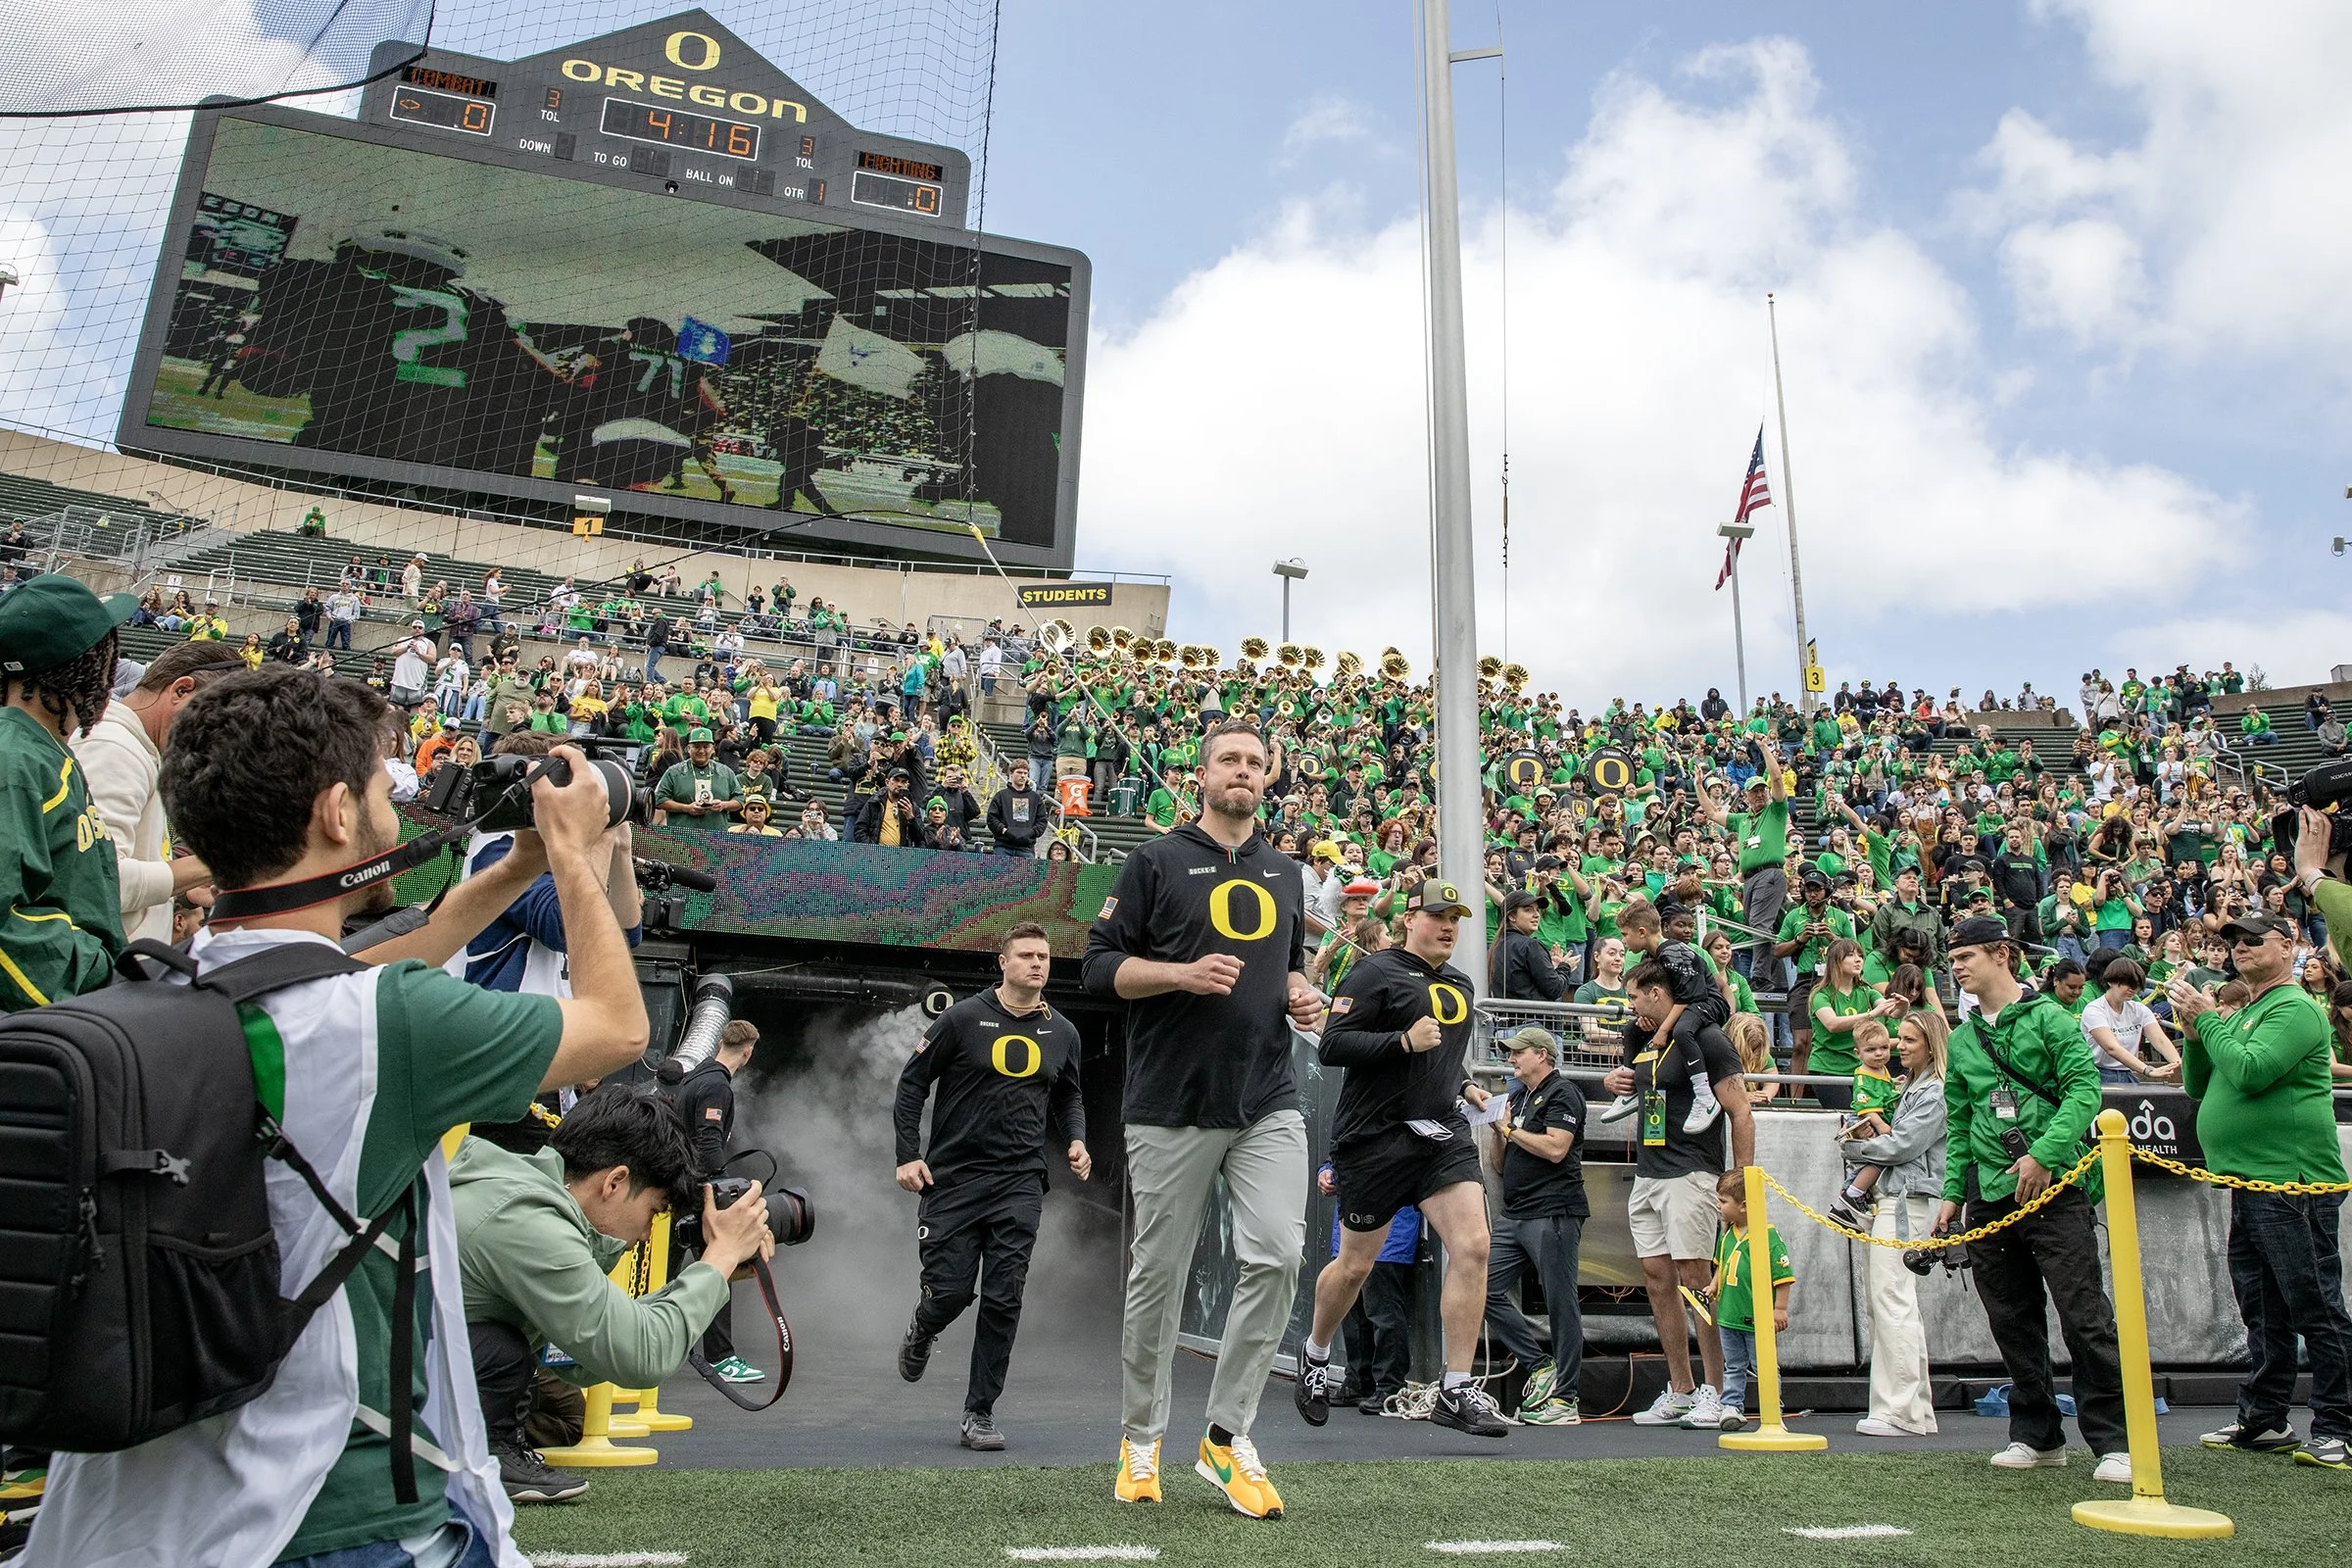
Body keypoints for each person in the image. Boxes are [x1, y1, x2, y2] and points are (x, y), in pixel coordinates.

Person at [27, 668, 649, 1567]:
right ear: (335, 815)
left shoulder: (171, 978)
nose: (392, 794)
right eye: (377, 781)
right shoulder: (390, 1027)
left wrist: (511, 868)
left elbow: (360, 969)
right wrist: (571, 854)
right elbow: (619, 1028)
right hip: (319, 1512)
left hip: (126, 1516)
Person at [1082, 719, 1318, 1517]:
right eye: (1229, 760)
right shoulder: (1155, 860)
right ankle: (1140, 1439)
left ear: (1267, 778)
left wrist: (1299, 992)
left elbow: (1286, 970)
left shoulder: (1286, 872)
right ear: (1203, 774)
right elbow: (1099, 967)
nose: (1243, 772)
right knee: (1160, 1275)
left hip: (1266, 1100)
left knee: (1280, 1257)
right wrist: (1180, 974)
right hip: (1170, 1103)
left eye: (1255, 762)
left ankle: (1226, 1438)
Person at [453, 1085, 772, 1504]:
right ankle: (478, 1458)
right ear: (616, 1182)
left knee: (520, 1367)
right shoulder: (526, 1222)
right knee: (501, 1352)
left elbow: (583, 1356)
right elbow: (642, 1355)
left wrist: (714, 1270)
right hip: (367, 1385)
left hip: (379, 1362)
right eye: (654, 1213)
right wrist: (721, 1258)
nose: (645, 1235)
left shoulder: (517, 1191)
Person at [1297, 877, 1507, 1439]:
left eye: (1455, 919)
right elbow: (1334, 1044)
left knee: (1474, 1244)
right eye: (1437, 916)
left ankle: (1456, 1388)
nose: (1447, 927)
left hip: (1438, 1134)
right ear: (1408, 919)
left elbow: (1442, 1059)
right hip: (1374, 1138)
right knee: (1356, 1266)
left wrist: (1464, 1088)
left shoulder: (1460, 983)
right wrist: (1402, 1043)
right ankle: (1316, 1355)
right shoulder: (1375, 971)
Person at [1936, 914, 2131, 1483]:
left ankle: (2116, 1440)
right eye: (1952, 960)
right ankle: (2036, 1434)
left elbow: (2084, 1090)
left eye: (1965, 956)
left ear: (2002, 953)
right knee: (2012, 1320)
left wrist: (2044, 1154)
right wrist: (1953, 1193)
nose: (1957, 967)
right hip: (1990, 1196)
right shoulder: (1965, 1036)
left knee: (2084, 1315)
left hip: (2059, 1189)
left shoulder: (2051, 1019)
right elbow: (1961, 1119)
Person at [893, 923, 1091, 1450]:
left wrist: (1077, 1140)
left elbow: (1070, 1095)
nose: (1037, 964)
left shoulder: (1064, 1032)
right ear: (1001, 962)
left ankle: (978, 1412)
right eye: (1025, 955)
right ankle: (924, 1324)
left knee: (1004, 1299)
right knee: (953, 1291)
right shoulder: (960, 1018)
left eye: (1044, 956)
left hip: (1020, 1183)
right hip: (953, 1180)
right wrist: (907, 1155)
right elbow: (912, 1083)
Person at [2169, 905, 2351, 1471]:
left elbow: (2251, 1073)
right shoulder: (2252, 1010)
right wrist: (2197, 1034)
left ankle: (2339, 1425)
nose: (2240, 948)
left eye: (2253, 939)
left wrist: (2212, 1021)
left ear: (2289, 944)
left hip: (2292, 1182)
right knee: (2264, 1308)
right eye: (2234, 942)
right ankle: (2266, 1417)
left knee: (2314, 1304)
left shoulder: (2295, 1008)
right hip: (2253, 1182)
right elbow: (2200, 1084)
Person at [1601, 958, 1753, 1430]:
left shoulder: (1707, 1037)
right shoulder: (1648, 1038)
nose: (1631, 1006)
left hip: (1692, 1173)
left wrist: (1742, 1180)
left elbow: (1741, 1111)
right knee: (1656, 1277)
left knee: (1695, 1280)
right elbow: (1637, 1086)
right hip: (1649, 1172)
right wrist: (1615, 1080)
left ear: (1657, 992)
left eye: (1634, 996)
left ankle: (1717, 1389)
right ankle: (1682, 1388)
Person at [0, 574, 137, 1010]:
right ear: (79, 665)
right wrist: (99, 974)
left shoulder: (42, 748)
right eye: (105, 653)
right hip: (41, 1023)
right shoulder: (15, 760)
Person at [75, 639, 245, 944]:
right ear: (181, 690)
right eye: (215, 723)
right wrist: (210, 864)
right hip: (103, 975)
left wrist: (184, 886)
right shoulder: (113, 747)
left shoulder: (136, 746)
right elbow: (97, 882)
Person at [1845, 1009, 1949, 1438]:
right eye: (1899, 1039)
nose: (1898, 1046)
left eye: (1908, 1040)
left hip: (1910, 1201)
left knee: (1892, 1301)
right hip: (1901, 1198)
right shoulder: (1914, 1087)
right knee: (1886, 1302)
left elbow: (1904, 1146)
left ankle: (1902, 1411)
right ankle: (1911, 1409)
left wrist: (1855, 1149)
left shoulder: (1933, 1091)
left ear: (1930, 1044)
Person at [1480, 1025, 1589, 1426]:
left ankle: (1566, 1398)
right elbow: (1500, 1164)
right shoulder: (1518, 1096)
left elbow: (1557, 1148)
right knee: (1480, 1287)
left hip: (1553, 1210)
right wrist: (1499, 1133)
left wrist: (1510, 1129)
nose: (1511, 1058)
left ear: (1542, 1054)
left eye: (1517, 1052)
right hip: (1516, 1213)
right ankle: (1541, 1365)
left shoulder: (1564, 1093)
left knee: (1561, 1302)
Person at [672, 1020, 765, 1387]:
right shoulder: (715, 1085)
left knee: (666, 1271)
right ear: (748, 1051)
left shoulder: (695, 1077)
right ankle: (721, 1358)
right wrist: (724, 1186)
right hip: (699, 1191)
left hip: (680, 1187)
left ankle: (653, 1341)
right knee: (719, 1269)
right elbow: (709, 1141)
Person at [1702, 1168, 1792, 1433]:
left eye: (1723, 1202)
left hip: (1757, 1317)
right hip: (1729, 1315)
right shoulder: (1728, 1234)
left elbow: (1783, 1275)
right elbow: (1722, 1263)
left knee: (1764, 1364)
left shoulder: (1768, 1237)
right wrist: (1713, 1284)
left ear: (1743, 1206)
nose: (1718, 1206)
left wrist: (1780, 1309)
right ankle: (1731, 1407)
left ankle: (1772, 1409)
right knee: (1733, 1364)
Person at [2081, 958, 2180, 1083]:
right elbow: (2112, 1048)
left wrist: (2178, 1065)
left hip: (2128, 1073)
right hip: (2098, 1073)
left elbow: (2161, 1041)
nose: (2132, 989)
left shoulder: (2139, 1009)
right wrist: (2148, 1070)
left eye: (2136, 985)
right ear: (2111, 982)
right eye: (2127, 984)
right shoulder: (2094, 1009)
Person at [1490, 888, 1571, 1002]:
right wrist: (1564, 967)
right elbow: (1555, 989)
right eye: (1528, 910)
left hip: (1508, 1017)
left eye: (1537, 910)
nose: (1537, 915)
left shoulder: (1497, 945)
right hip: (1533, 1017)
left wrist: (1550, 967)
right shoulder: (1530, 946)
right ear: (1512, 916)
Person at [655, 726, 742, 828]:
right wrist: (686, 808)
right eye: (696, 746)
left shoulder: (725, 772)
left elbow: (739, 799)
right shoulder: (674, 772)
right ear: (688, 749)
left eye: (706, 746)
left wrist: (723, 805)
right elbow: (659, 799)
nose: (701, 751)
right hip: (681, 834)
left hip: (715, 836)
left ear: (713, 749)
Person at [988, 757, 1048, 857]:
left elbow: (1042, 821)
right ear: (1011, 774)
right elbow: (991, 818)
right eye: (1019, 772)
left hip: (1026, 848)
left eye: (1025, 773)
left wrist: (1031, 833)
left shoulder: (1035, 797)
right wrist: (1004, 830)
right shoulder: (1001, 795)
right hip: (1003, 847)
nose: (1023, 776)